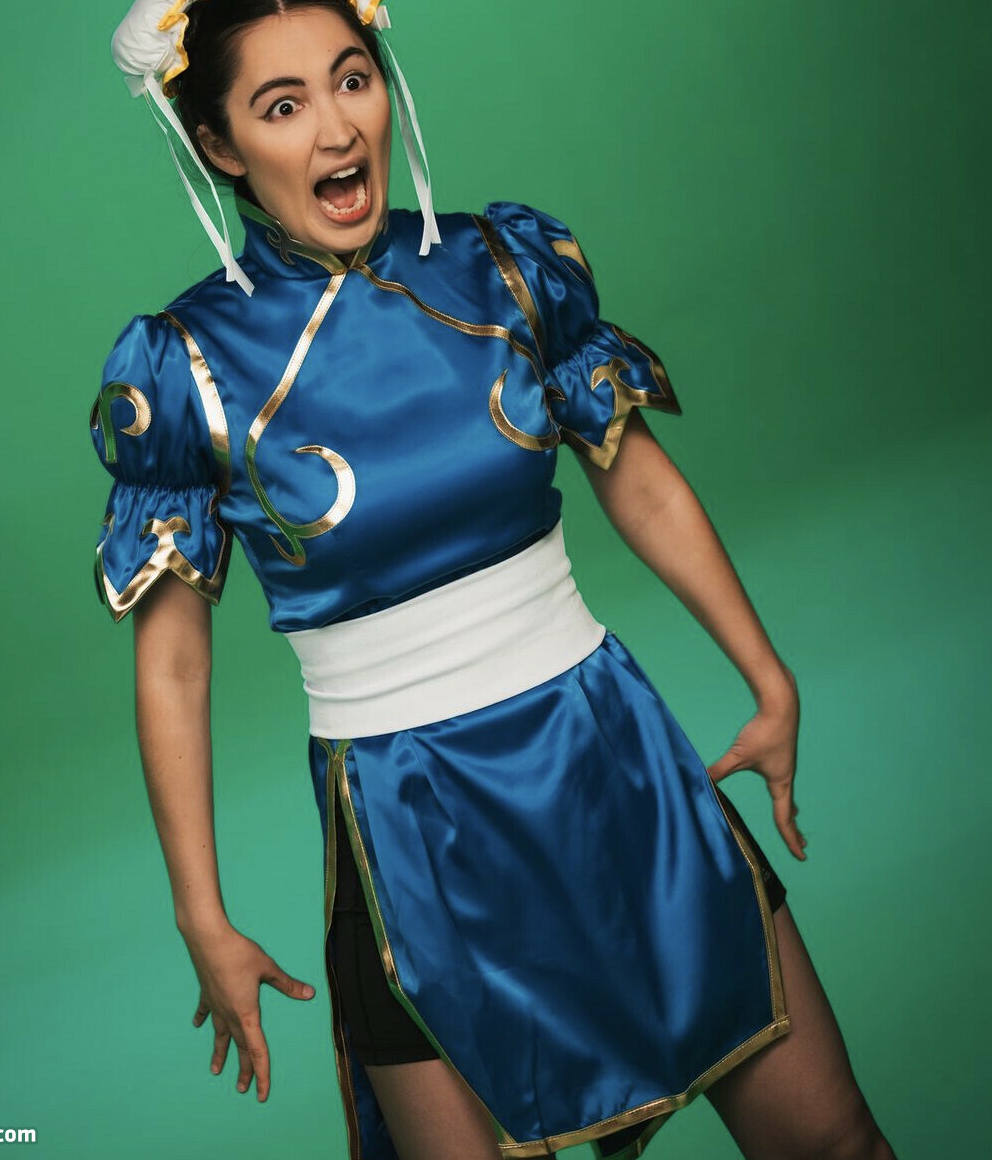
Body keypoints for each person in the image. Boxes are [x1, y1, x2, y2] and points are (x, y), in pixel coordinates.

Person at [90, 2, 898, 1157]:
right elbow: (172, 660)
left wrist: (768, 678)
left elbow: (638, 481)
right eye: (283, 105)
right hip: (409, 821)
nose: (337, 130)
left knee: (834, 1139)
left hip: (611, 757)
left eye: (353, 78)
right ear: (217, 143)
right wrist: (200, 911)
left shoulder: (505, 268)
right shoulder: (190, 365)